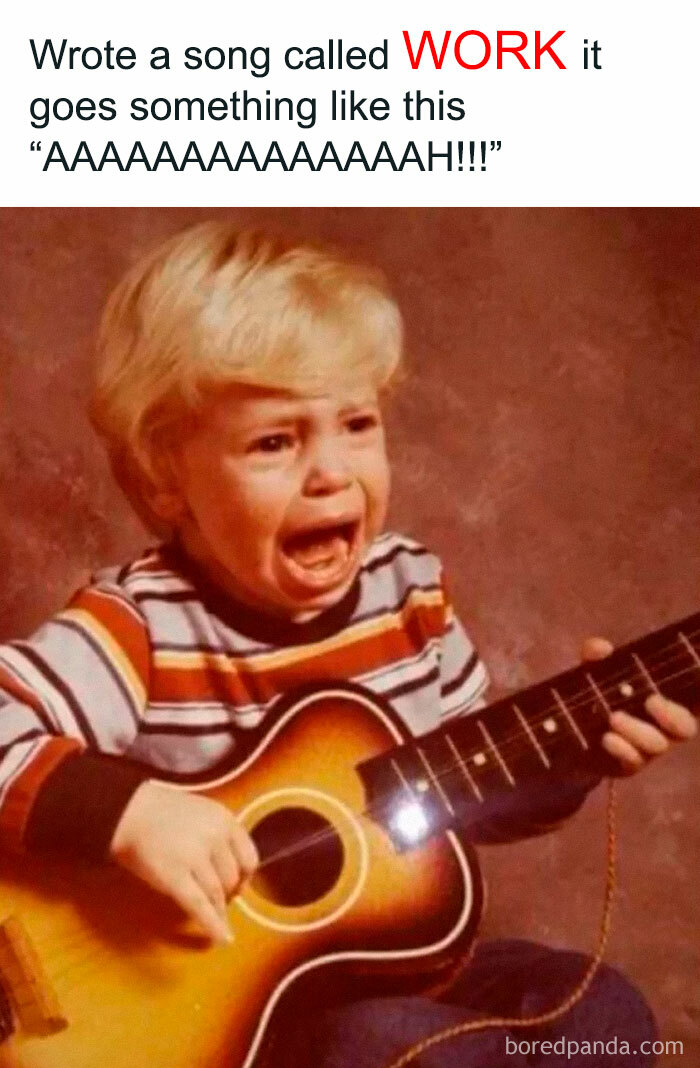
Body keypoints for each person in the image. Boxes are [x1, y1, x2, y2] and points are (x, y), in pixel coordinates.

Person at [0, 223, 695, 1067]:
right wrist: (130, 813)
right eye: (275, 441)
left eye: (357, 424)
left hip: (407, 976)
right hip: (232, 1023)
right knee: (382, 1044)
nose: (331, 472)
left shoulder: (410, 589)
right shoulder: (141, 624)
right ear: (166, 477)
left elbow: (467, 789)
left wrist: (575, 754)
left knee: (603, 1011)